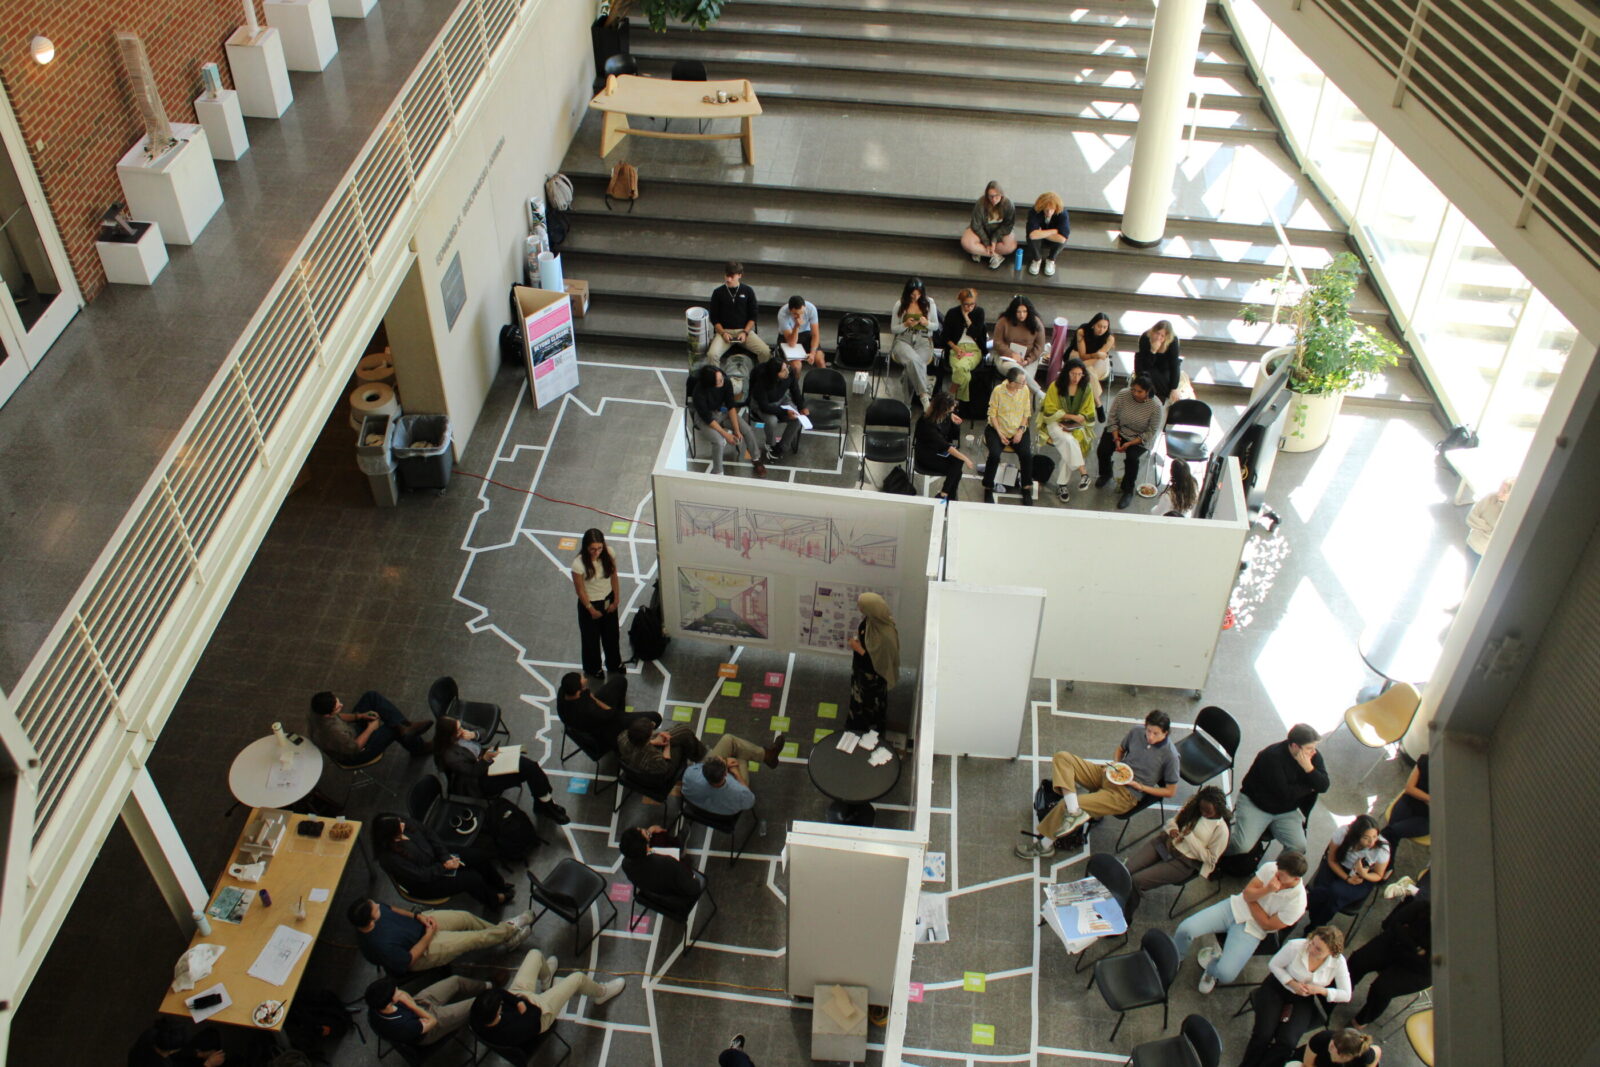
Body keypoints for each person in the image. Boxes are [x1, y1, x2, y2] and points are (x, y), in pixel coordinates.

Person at [1017, 710, 1181, 859]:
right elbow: (1120, 749)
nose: (1150, 736)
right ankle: (1075, 811)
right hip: (1110, 775)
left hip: (1125, 795)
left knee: (1064, 805)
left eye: (1156, 734)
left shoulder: (1171, 756)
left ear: (1166, 733)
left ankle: (1045, 845)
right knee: (1062, 757)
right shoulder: (1137, 732)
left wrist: (1141, 787)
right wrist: (1116, 765)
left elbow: (1170, 791)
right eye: (1149, 731)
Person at [1173, 852, 1309, 993]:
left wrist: (1252, 899)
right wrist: (1266, 890)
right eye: (1277, 869)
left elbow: (1267, 924)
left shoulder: (1298, 903)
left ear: (1296, 878)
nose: (1277, 874)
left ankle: (1212, 970)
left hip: (1253, 930)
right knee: (1186, 928)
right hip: (1233, 908)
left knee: (1226, 974)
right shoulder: (1272, 868)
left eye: (1282, 875)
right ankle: (1177, 956)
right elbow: (1247, 894)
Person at [1241, 927, 1353, 1067]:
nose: (1311, 949)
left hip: (1304, 997)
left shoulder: (1338, 962)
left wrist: (1320, 990)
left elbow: (1346, 994)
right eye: (1312, 942)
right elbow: (1274, 965)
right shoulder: (1296, 946)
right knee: (1263, 1034)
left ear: (1331, 952)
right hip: (1278, 987)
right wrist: (1292, 983)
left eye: (1318, 949)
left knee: (1287, 1042)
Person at [469, 949, 625, 1047]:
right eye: (499, 1006)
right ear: (497, 1013)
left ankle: (546, 979)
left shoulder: (478, 1014)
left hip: (520, 1002)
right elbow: (535, 1013)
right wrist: (522, 1004)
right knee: (578, 978)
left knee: (535, 954)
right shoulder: (513, 1030)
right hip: (539, 1015)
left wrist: (517, 1001)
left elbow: (500, 994)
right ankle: (602, 993)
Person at [433, 716, 570, 824]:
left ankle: (545, 803)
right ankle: (545, 804)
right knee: (529, 770)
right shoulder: (450, 756)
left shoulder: (459, 728)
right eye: (458, 730)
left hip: (486, 758)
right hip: (479, 780)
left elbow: (483, 731)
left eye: (461, 726)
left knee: (530, 767)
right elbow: (474, 772)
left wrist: (474, 735)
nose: (462, 729)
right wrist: (486, 759)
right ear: (450, 735)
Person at [1123, 785, 1230, 917]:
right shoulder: (1193, 806)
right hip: (1166, 843)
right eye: (1202, 809)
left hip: (1183, 862)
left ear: (1218, 810)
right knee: (1126, 869)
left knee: (1136, 881)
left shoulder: (1221, 830)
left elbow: (1211, 859)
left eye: (1208, 812)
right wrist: (1173, 829)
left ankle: (1123, 916)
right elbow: (1173, 821)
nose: (1203, 813)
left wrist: (1189, 838)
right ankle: (1111, 898)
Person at [348, 898, 531, 975]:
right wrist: (428, 935)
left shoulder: (373, 910)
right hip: (422, 950)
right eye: (376, 909)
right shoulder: (380, 945)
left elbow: (391, 909)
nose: (379, 906)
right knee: (474, 939)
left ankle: (506, 935)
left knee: (465, 918)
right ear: (371, 920)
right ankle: (510, 928)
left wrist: (418, 916)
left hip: (422, 925)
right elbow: (409, 960)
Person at [372, 812, 514, 909]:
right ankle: (494, 900)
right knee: (472, 879)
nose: (402, 823)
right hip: (427, 882)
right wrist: (444, 866)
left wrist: (445, 857)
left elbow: (429, 833)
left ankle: (498, 884)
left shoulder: (402, 824)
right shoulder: (389, 858)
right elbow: (421, 876)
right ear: (390, 835)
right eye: (398, 825)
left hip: (438, 856)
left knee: (478, 856)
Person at [1228, 724, 1330, 856]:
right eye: (1309, 748)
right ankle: (1214, 852)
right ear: (1294, 746)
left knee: (1298, 847)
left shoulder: (1312, 758)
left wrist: (1309, 769)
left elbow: (1323, 786)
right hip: (1256, 805)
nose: (1313, 752)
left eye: (1314, 747)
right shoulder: (1272, 757)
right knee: (1241, 845)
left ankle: (1278, 873)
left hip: (1285, 810)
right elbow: (1285, 793)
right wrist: (1310, 786)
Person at [1346, 894, 1430, 1027]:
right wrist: (1417, 948)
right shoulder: (1423, 906)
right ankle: (1341, 992)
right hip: (1395, 944)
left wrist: (1405, 934)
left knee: (1382, 989)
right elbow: (1393, 923)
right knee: (1358, 960)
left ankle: (1360, 1021)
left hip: (1419, 969)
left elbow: (1431, 961)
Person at [1305, 814, 1392, 928]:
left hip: (1362, 877)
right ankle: (1313, 920)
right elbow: (1332, 860)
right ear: (1356, 836)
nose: (1371, 842)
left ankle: (1315, 925)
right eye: (1366, 838)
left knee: (1336, 894)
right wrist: (1347, 878)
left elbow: (1378, 875)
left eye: (1375, 836)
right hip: (1338, 866)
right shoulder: (1343, 833)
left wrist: (1364, 874)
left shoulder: (1382, 849)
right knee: (1322, 892)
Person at [1094, 373, 1162, 510]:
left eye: (1139, 391)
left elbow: (1151, 432)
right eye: (1133, 390)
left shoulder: (1156, 406)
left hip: (1139, 436)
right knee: (1103, 450)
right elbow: (1112, 418)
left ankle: (1128, 489)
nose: (1135, 393)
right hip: (1119, 429)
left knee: (1132, 458)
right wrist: (1116, 438)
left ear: (1148, 391)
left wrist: (1130, 443)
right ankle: (1106, 473)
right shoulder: (1123, 395)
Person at [307, 690, 430, 764]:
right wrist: (370, 728)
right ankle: (418, 747)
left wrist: (360, 716)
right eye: (338, 706)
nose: (342, 705)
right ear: (328, 715)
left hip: (349, 733)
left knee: (371, 697)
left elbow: (338, 716)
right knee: (393, 728)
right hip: (356, 753)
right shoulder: (332, 732)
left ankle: (405, 727)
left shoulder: (317, 711)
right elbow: (355, 748)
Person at [365, 974, 489, 1048]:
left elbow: (405, 995)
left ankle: (488, 985)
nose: (399, 991)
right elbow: (433, 1021)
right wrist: (412, 1006)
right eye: (396, 991)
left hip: (417, 1007)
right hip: (428, 1029)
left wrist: (410, 1003)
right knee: (476, 1003)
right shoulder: (405, 1026)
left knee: (456, 981)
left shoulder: (376, 1004)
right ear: (390, 1002)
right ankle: (497, 999)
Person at [682, 730, 785, 815]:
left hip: (697, 807)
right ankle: (767, 756)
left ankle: (767, 755)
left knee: (728, 740)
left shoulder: (690, 775)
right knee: (741, 756)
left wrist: (725, 761)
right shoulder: (736, 790)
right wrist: (736, 772)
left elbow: (698, 767)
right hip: (722, 815)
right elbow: (750, 800)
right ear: (726, 774)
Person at [1038, 357, 1095, 502]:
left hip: (1075, 424)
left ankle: (1062, 485)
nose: (1076, 378)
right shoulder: (1055, 386)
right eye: (1073, 374)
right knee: (1070, 442)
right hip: (1055, 422)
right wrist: (1070, 416)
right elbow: (1049, 410)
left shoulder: (1086, 388)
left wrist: (1079, 417)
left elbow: (1088, 411)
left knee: (1068, 447)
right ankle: (1083, 472)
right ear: (1066, 373)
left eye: (1079, 374)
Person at [556, 671, 656, 753]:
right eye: (583, 681)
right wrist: (595, 700)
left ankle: (622, 716)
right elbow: (610, 713)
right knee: (655, 717)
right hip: (602, 727)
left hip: (586, 722)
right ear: (578, 692)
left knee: (620, 681)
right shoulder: (590, 711)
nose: (585, 679)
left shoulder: (563, 692)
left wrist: (591, 698)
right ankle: (621, 732)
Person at [571, 527, 622, 679]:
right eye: (593, 549)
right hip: (590, 604)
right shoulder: (578, 564)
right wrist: (591, 609)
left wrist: (616, 599)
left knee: (612, 636)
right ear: (586, 547)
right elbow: (580, 590)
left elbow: (614, 577)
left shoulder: (609, 553)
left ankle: (614, 663)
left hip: (608, 599)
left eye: (599, 548)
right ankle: (594, 669)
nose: (596, 552)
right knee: (590, 640)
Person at [982, 367, 1036, 506]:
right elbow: (992, 414)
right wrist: (1000, 433)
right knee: (994, 455)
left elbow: (1026, 413)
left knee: (1026, 455)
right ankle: (988, 487)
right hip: (997, 429)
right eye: (1021, 382)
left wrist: (1020, 430)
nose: (1024, 384)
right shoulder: (998, 391)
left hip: (1018, 429)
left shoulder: (1024, 390)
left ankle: (1026, 488)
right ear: (1011, 382)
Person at [847, 592, 900, 734]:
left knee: (869, 705)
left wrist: (857, 648)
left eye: (861, 605)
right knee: (860, 701)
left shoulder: (885, 635)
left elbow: (877, 664)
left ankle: (866, 729)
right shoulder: (873, 620)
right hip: (862, 674)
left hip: (872, 680)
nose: (858, 607)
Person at [689, 364, 756, 477]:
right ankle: (718, 473)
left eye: (721, 378)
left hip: (720, 413)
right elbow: (708, 419)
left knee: (746, 429)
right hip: (704, 419)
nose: (723, 381)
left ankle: (756, 458)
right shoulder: (698, 393)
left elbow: (731, 406)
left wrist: (736, 430)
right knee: (719, 442)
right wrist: (726, 435)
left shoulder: (726, 381)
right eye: (719, 381)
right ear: (711, 385)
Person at [706, 260, 771, 364]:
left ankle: (760, 377)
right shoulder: (718, 292)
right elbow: (714, 317)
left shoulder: (748, 291)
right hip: (724, 331)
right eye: (727, 275)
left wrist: (745, 332)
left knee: (765, 351)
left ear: (740, 275)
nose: (728, 279)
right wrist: (723, 333)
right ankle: (717, 379)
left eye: (732, 276)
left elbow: (753, 315)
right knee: (712, 355)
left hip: (744, 331)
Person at [915, 392, 975, 500]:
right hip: (927, 456)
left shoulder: (937, 413)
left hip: (937, 449)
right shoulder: (928, 426)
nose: (954, 408)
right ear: (943, 410)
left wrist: (951, 415)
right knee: (957, 468)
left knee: (957, 465)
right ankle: (945, 494)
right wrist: (966, 458)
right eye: (950, 409)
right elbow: (946, 447)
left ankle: (945, 493)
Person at [749, 355, 808, 462]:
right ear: (775, 375)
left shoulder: (790, 373)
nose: (787, 371)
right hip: (762, 404)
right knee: (772, 421)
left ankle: (780, 448)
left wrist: (802, 407)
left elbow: (795, 390)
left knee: (797, 419)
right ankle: (770, 444)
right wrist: (785, 412)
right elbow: (765, 407)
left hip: (781, 399)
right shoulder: (761, 382)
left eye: (786, 367)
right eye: (783, 370)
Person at [890, 277, 938, 405]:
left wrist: (927, 323)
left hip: (923, 339)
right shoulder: (900, 304)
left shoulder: (929, 303)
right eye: (912, 294)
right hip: (903, 339)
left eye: (918, 294)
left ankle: (907, 405)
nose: (915, 297)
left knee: (910, 370)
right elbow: (893, 329)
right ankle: (925, 395)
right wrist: (905, 324)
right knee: (913, 362)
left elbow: (936, 326)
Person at [940, 288, 986, 404]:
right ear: (961, 302)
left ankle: (951, 395)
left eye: (972, 304)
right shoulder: (952, 313)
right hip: (956, 348)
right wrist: (955, 348)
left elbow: (976, 333)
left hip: (973, 349)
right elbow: (945, 337)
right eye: (966, 305)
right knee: (964, 374)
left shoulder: (979, 312)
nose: (969, 307)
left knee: (961, 367)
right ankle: (958, 402)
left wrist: (967, 317)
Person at [959, 180, 1018, 269]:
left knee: (1011, 246)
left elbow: (1008, 226)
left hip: (999, 232)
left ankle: (980, 251)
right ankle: (995, 255)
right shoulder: (981, 203)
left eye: (996, 196)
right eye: (990, 196)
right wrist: (987, 243)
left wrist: (994, 240)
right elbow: (976, 225)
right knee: (966, 242)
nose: (993, 199)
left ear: (1001, 194)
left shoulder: (1008, 204)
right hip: (982, 230)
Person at [991, 294, 1047, 385]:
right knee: (1017, 373)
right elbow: (997, 342)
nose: (1022, 315)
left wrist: (1028, 360)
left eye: (1025, 312)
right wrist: (1011, 354)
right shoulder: (1003, 321)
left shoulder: (1036, 323)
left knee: (1023, 380)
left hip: (1029, 359)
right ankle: (1038, 391)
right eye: (1018, 312)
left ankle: (1031, 394)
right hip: (1007, 359)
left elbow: (1039, 347)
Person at [1464, 477, 1513, 571]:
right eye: (1500, 489)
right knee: (1468, 573)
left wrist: (1483, 528)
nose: (1499, 493)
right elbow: (1471, 518)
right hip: (1472, 544)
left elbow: (1498, 537)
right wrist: (1488, 529)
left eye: (1504, 491)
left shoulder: (1511, 513)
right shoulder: (1490, 498)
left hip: (1486, 555)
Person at [1380, 753, 1430, 846]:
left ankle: (1372, 856)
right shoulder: (1426, 760)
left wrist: (1421, 795)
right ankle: (1380, 858)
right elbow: (1409, 789)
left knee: (1390, 832)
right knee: (1391, 832)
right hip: (1409, 802)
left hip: (1428, 818)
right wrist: (1429, 799)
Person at [128, 1019, 224, 1067]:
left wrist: (199, 1054)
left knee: (211, 1034)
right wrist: (208, 1064)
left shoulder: (151, 1034)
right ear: (172, 1051)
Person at [1072, 312, 1117, 409]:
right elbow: (1083, 355)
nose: (1102, 330)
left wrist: (1081, 367)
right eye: (1099, 326)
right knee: (1088, 373)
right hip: (1080, 357)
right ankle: (1097, 402)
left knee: (1084, 372)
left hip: (1098, 362)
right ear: (1093, 324)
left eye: (1105, 327)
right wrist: (1095, 355)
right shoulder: (1082, 331)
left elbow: (1098, 358)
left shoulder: (1110, 338)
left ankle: (1082, 404)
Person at [1135, 320, 1183, 402]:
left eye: (1162, 336)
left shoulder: (1173, 341)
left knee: (1164, 383)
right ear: (1153, 331)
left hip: (1164, 367)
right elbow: (1145, 364)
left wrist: (1174, 388)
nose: (1158, 338)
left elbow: (1174, 365)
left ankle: (1157, 401)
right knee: (1147, 376)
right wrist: (1153, 351)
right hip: (1148, 364)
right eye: (1157, 333)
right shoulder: (1146, 337)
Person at [1025, 191, 1070, 276]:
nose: (1049, 212)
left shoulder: (1063, 214)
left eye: (1052, 209)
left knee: (1062, 241)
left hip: (1052, 240)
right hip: (1043, 238)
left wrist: (1040, 232)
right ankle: (1037, 259)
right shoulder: (1034, 211)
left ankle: (1051, 259)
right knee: (1031, 238)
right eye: (1046, 210)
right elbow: (1032, 235)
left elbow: (1062, 238)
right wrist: (1053, 231)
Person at [777, 294, 824, 367]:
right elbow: (791, 343)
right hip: (788, 336)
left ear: (804, 307)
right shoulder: (782, 314)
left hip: (805, 333)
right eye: (795, 314)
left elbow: (815, 335)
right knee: (797, 365)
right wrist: (796, 326)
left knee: (819, 359)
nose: (799, 317)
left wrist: (812, 353)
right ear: (790, 311)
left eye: (801, 313)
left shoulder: (811, 309)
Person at [1294, 1028, 1382, 1066]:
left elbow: (1377, 1051)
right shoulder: (1322, 1038)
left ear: (1347, 1056)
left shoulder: (1363, 1053)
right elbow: (1308, 1064)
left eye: (1336, 1048)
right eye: (1333, 1042)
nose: (1331, 1045)